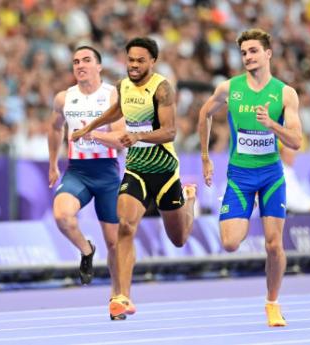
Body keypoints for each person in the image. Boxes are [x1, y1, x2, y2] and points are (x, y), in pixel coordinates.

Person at [72, 37, 197, 321]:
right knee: (125, 227)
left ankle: (189, 200)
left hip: (164, 171)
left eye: (141, 60)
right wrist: (89, 127)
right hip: (136, 168)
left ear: (153, 61)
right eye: (131, 60)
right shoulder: (123, 85)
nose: (135, 65)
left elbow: (170, 132)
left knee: (178, 239)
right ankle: (122, 297)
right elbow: (117, 111)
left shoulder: (162, 88)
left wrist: (138, 136)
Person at [198, 28, 303, 327]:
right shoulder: (229, 89)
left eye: (253, 51)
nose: (248, 57)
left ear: (268, 53)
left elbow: (295, 141)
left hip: (271, 176)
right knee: (230, 243)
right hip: (240, 176)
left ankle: (272, 303)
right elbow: (204, 113)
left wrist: (272, 124)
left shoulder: (285, 93)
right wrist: (205, 158)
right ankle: (245, 214)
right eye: (244, 52)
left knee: (274, 245)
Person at [47, 46, 126, 299]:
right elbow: (54, 128)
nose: (80, 65)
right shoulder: (64, 98)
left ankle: (117, 296)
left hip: (107, 174)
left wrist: (95, 134)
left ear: (99, 66)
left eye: (86, 60)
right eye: (75, 61)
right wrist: (52, 164)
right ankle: (87, 250)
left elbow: (123, 139)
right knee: (62, 216)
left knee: (114, 243)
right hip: (77, 171)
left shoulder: (112, 95)